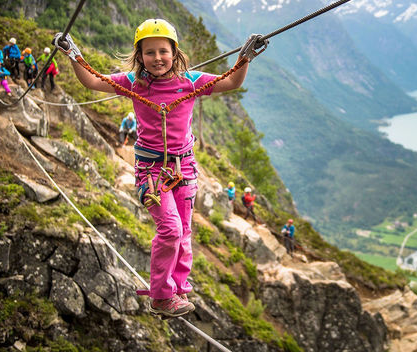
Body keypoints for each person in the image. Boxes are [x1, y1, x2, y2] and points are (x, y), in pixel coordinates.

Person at [53, 18, 266, 318]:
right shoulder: (133, 84)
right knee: (170, 229)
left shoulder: (190, 82)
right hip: (151, 172)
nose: (157, 58)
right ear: (140, 56)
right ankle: (162, 296)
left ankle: (177, 287)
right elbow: (93, 80)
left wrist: (244, 59)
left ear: (174, 52)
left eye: (162, 51)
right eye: (149, 52)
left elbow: (231, 81)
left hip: (185, 168)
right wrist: (73, 55)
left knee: (185, 232)